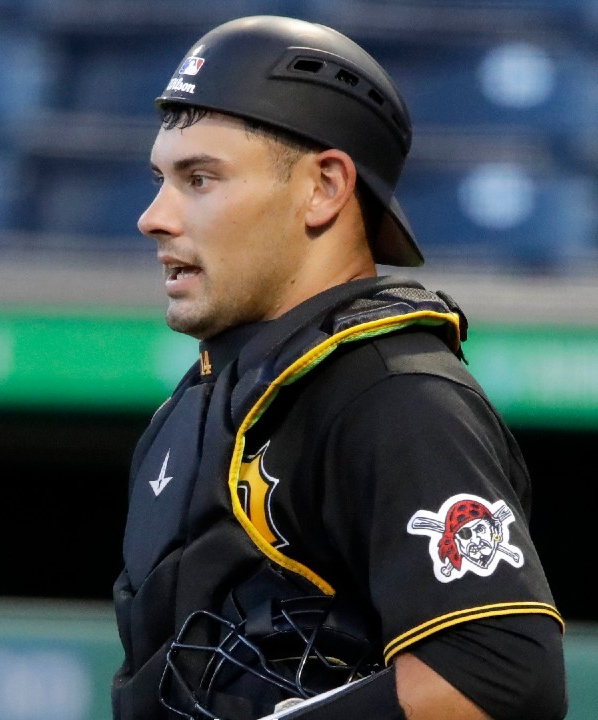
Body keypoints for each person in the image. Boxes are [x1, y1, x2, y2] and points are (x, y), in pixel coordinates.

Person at [110, 15, 566, 720]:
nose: (153, 216)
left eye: (199, 178)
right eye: (160, 178)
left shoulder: (393, 393)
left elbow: (496, 672)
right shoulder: (198, 401)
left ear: (323, 187)